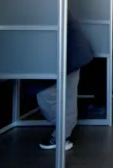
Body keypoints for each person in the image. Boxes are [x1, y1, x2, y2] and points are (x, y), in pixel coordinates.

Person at [37, 11, 94, 150]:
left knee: (51, 95)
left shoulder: (44, 1)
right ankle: (63, 133)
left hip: (69, 50)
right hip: (69, 48)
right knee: (66, 94)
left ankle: (62, 135)